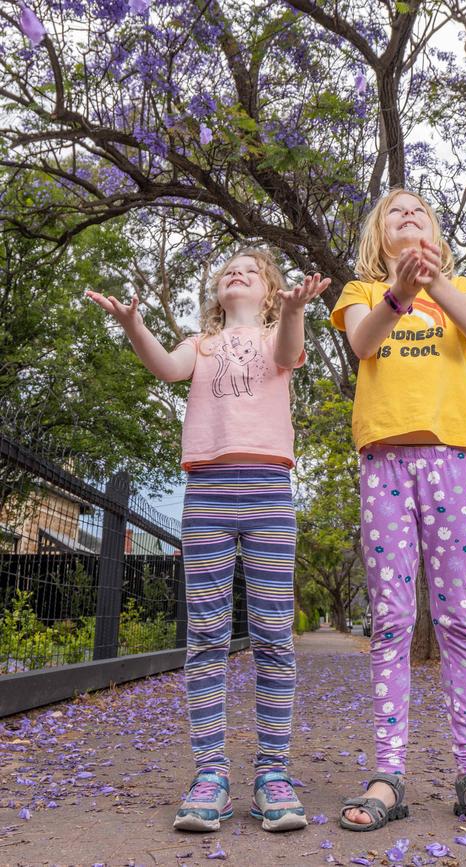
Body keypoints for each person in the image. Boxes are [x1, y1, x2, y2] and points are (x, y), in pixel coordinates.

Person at [86, 247, 330, 834]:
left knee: (273, 632)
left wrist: (295, 309)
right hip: (208, 490)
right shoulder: (201, 345)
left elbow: (290, 352)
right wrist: (132, 324)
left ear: (269, 291)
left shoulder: (278, 331)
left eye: (248, 270)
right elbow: (166, 369)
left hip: (269, 487)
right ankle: (211, 775)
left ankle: (273, 774)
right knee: (206, 634)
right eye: (226, 272)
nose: (235, 273)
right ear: (216, 294)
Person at [330, 189, 466, 834]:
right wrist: (398, 293)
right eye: (393, 212)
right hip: (384, 465)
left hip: (449, 464)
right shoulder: (361, 293)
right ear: (377, 237)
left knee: (458, 622)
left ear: (434, 231)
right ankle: (388, 774)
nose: (407, 216)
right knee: (391, 622)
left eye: (417, 211)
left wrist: (434, 281)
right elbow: (363, 343)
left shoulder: (459, 288)